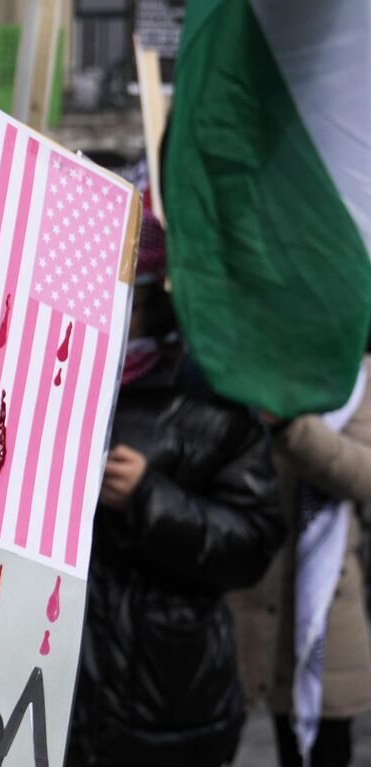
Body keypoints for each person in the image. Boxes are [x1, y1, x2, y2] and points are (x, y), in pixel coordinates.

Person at [67, 219, 285, 766]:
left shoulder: (217, 402)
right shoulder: (51, 378)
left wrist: (150, 499)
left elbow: (253, 544)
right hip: (57, 683)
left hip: (166, 700)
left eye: (123, 296)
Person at [233, 345, 371, 767]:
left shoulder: (358, 377)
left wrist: (290, 425)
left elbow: (362, 474)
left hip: (325, 609)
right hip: (242, 605)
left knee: (322, 748)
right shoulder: (237, 364)